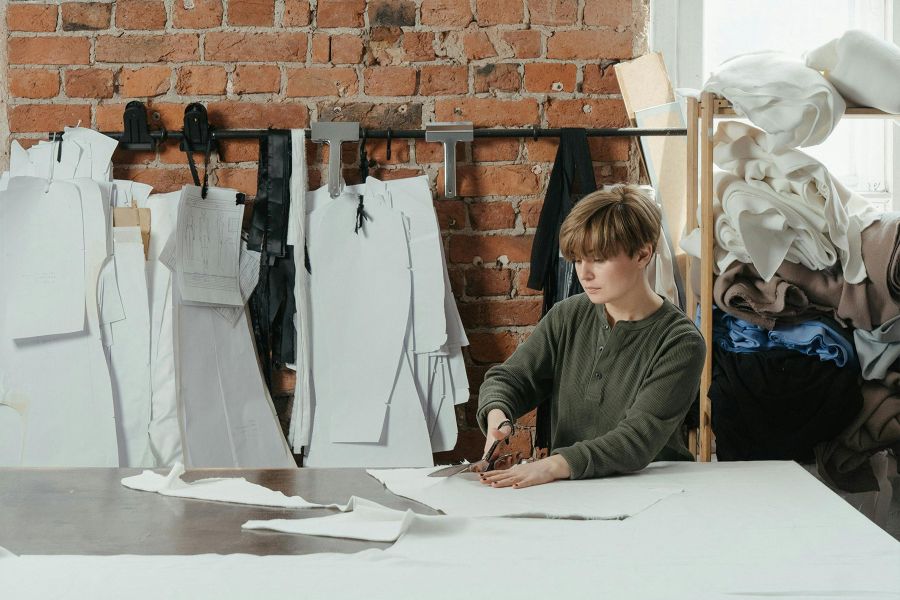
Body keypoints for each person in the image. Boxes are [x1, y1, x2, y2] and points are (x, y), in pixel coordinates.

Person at [477, 185, 706, 489]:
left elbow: (637, 439)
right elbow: (511, 379)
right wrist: (498, 415)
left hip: (651, 491)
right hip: (573, 489)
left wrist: (552, 465)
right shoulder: (567, 315)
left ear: (643, 254)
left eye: (598, 259)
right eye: (576, 259)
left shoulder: (680, 342)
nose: (584, 274)